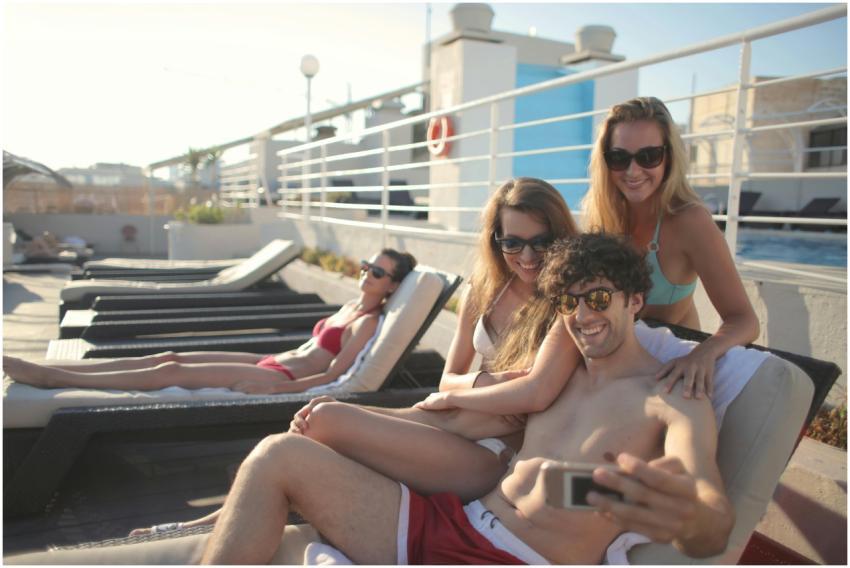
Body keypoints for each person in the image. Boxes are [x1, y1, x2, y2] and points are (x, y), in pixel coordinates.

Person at [200, 232, 734, 564]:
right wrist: (352, 414)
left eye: (597, 298)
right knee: (279, 453)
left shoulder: (669, 396)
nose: (582, 316)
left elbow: (711, 518)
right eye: (568, 304)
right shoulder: (560, 377)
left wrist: (681, 515)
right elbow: (460, 417)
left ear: (635, 301)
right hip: (458, 522)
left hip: (516, 560)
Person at [3, 249, 416, 395]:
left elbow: (333, 374)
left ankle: (53, 380)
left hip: (280, 379)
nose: (367, 274)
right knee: (169, 355)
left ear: (392, 286)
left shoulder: (366, 323)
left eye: (378, 273)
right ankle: (57, 370)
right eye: (366, 266)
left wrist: (277, 391)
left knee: (171, 371)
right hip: (270, 360)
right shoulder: (350, 305)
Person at [582, 96, 759, 399]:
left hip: (667, 370)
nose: (633, 171)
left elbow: (744, 320)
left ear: (670, 158)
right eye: (619, 158)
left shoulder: (689, 220)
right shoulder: (603, 216)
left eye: (648, 156)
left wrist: (703, 354)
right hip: (612, 365)